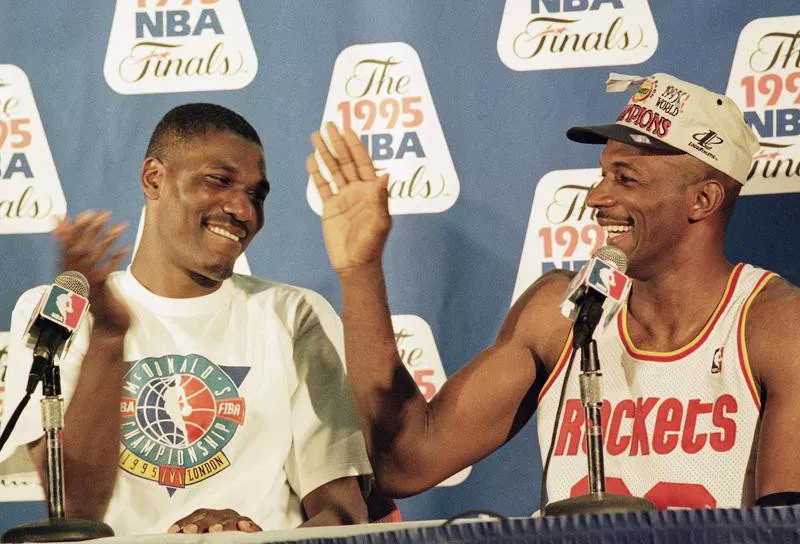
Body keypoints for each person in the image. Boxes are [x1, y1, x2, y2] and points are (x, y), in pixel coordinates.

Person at [306, 72, 800, 511]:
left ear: (703, 199)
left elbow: (784, 528)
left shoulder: (776, 326)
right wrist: (361, 269)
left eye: (625, 179)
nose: (597, 197)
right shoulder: (560, 313)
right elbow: (407, 463)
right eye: (604, 174)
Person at [0, 103, 374, 535]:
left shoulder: (295, 315)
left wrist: (252, 542)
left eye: (257, 195)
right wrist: (108, 337)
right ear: (154, 178)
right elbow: (74, 510)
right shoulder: (61, 308)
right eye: (220, 181)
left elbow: (345, 517)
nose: (243, 210)